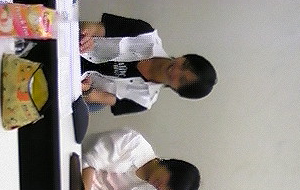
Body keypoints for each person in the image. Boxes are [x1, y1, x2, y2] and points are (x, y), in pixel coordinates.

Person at [79, 13, 217, 114]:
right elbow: (91, 27)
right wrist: (85, 36)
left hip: (76, 84)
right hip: (74, 48)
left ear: (177, 90)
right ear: (184, 57)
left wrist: (87, 89)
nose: (175, 70)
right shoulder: (144, 33)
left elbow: (96, 97)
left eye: (181, 79)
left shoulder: (143, 101)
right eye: (184, 65)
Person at [81, 128, 200, 190]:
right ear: (171, 167)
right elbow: (89, 162)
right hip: (76, 170)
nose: (161, 188)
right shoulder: (133, 142)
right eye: (168, 183)